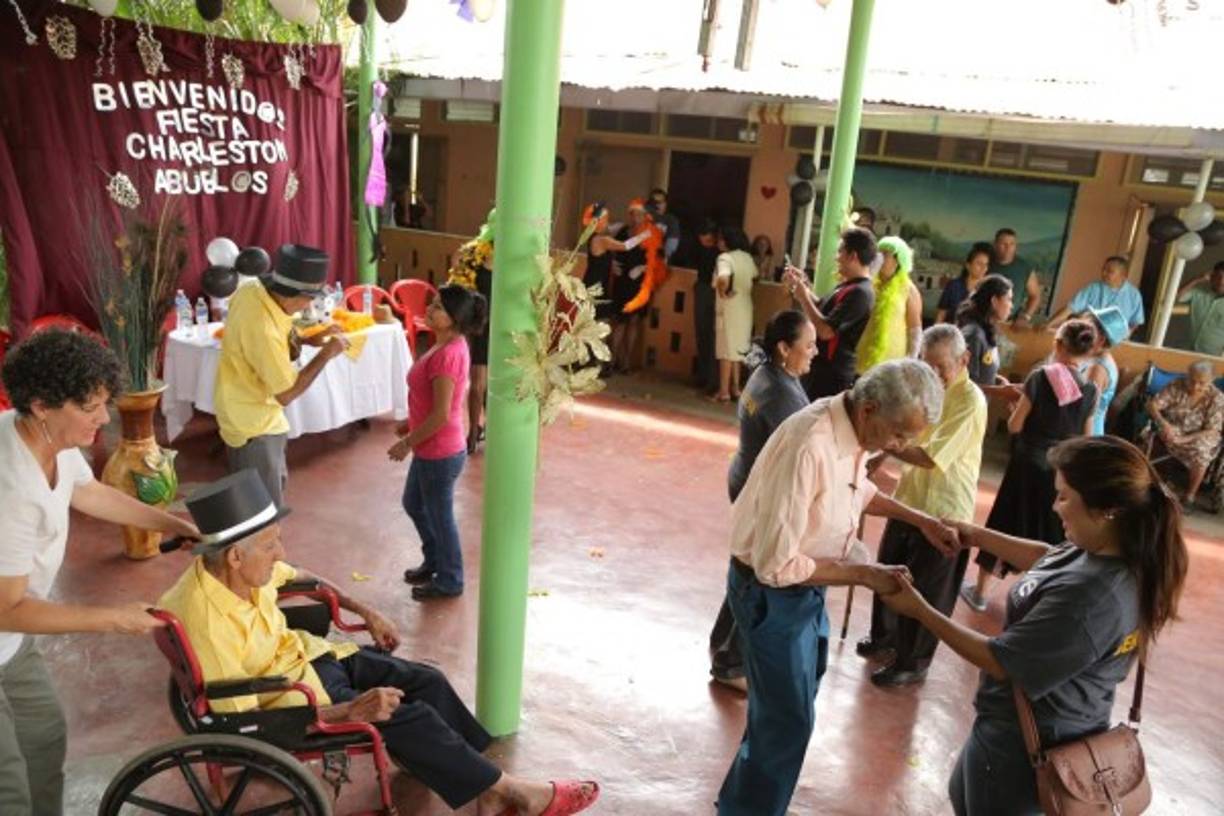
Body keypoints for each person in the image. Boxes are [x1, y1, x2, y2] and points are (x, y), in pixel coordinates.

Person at [158, 470, 599, 816]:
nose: (280, 554)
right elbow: (243, 726)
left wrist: (363, 609)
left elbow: (303, 576)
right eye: (271, 545)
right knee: (412, 716)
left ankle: (485, 782)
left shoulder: (239, 568)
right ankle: (508, 791)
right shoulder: (207, 622)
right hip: (299, 699)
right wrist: (350, 711)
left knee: (427, 680)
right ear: (235, 556)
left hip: (313, 659)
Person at [880, 435, 1188, 816]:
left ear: (1107, 510)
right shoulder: (1102, 547)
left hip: (1031, 745)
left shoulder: (1093, 599)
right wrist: (975, 535)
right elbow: (1049, 559)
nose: (1054, 506)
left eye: (1064, 496)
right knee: (965, 796)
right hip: (1010, 729)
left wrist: (919, 609)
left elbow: (1000, 660)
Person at [716, 360, 959, 816]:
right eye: (900, 435)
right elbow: (776, 565)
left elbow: (857, 490)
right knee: (786, 723)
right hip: (772, 593)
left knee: (785, 713)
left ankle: (742, 801)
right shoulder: (811, 443)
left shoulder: (850, 429)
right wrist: (866, 575)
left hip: (806, 587)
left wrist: (923, 520)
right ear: (869, 409)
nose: (902, 447)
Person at [0, 329, 199, 814]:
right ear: (43, 404)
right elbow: (7, 608)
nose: (104, 418)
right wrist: (114, 618)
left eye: (104, 403)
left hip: (11, 646)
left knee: (44, 740)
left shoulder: (49, 439)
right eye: (90, 407)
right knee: (9, 790)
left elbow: (89, 494)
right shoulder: (10, 487)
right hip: (7, 621)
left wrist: (172, 523)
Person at [858, 325, 987, 687]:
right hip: (910, 499)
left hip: (945, 508)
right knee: (890, 571)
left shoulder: (970, 401)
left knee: (928, 591)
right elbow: (905, 429)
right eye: (925, 364)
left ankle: (912, 661)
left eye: (940, 366)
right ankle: (884, 639)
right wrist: (882, 453)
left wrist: (887, 444)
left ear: (964, 360)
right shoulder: (922, 387)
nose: (932, 374)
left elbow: (930, 456)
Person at [708, 311, 816, 690]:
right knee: (759, 576)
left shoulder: (768, 373)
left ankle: (722, 646)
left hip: (746, 480)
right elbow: (804, 451)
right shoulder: (780, 394)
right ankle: (731, 662)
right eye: (809, 345)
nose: (814, 352)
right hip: (760, 492)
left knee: (746, 568)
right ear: (784, 348)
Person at [960, 319, 1099, 612]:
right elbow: (1087, 439)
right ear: (1087, 351)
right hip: (1060, 472)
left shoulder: (1040, 377)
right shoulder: (1090, 390)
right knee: (1053, 533)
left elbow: (1014, 426)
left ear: (1058, 345)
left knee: (1006, 523)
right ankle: (1042, 601)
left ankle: (981, 593)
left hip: (1026, 465)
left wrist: (1016, 408)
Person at [214, 244, 350, 508]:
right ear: (292, 295)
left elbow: (283, 332)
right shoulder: (262, 328)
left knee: (272, 485)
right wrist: (326, 355)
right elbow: (286, 394)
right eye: (309, 298)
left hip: (255, 413)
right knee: (261, 509)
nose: (309, 305)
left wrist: (310, 338)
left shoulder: (253, 291)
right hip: (253, 424)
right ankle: (261, 546)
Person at [389, 284, 487, 600]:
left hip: (439, 451)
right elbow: (431, 404)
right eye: (432, 304)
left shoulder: (448, 355)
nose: (430, 310)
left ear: (454, 318)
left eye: (438, 308)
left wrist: (406, 442)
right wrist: (410, 423)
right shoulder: (445, 344)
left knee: (439, 516)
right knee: (414, 504)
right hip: (431, 446)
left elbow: (442, 414)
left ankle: (450, 578)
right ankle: (434, 561)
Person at [783, 227, 877, 400]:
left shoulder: (861, 292)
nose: (836, 257)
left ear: (853, 256)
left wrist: (803, 297)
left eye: (840, 251)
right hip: (821, 369)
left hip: (831, 374)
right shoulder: (849, 286)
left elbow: (826, 331)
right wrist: (803, 285)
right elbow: (822, 307)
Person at [1143, 359, 1224, 510]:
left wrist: (1184, 439)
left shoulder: (1217, 398)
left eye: (1201, 383)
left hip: (1201, 435)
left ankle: (1189, 496)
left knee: (1201, 452)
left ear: (1211, 380)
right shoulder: (1177, 385)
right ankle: (1153, 483)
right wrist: (1164, 423)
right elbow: (1152, 405)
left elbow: (1212, 429)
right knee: (1165, 433)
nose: (1195, 386)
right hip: (1174, 428)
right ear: (1187, 375)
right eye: (1192, 380)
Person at [855, 235, 922, 373]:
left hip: (892, 364)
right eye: (878, 253)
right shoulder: (868, 284)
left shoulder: (908, 289)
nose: (879, 258)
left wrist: (911, 361)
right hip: (862, 357)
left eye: (885, 254)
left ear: (898, 260)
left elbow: (914, 330)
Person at [955, 274, 1022, 403]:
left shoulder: (986, 330)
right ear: (994, 301)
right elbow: (964, 384)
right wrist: (1000, 391)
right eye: (1008, 299)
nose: (1011, 306)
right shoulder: (973, 335)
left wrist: (997, 380)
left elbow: (981, 373)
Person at [710, 225, 758, 403]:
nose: (719, 242)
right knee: (738, 350)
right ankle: (736, 388)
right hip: (745, 306)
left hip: (729, 307)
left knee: (726, 350)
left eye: (721, 238)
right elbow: (755, 276)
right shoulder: (747, 257)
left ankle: (723, 392)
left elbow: (723, 277)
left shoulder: (724, 258)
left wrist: (723, 292)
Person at [1047, 256, 1144, 335]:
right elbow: (1071, 308)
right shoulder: (1093, 288)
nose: (1104, 273)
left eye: (1109, 271)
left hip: (1116, 341)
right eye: (1103, 269)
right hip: (1089, 337)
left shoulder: (1134, 295)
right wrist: (1049, 324)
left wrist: (1124, 336)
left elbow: (1135, 322)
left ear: (1123, 276)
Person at [1080, 306, 1128, 436]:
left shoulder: (1097, 369)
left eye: (1088, 331)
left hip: (1085, 434)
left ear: (1101, 339)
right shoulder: (1093, 358)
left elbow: (1085, 412)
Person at [988, 228, 1043, 325]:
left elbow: (1035, 296)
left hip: (1009, 323)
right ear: (995, 244)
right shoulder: (986, 262)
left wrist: (1026, 316)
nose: (1008, 248)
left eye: (1012, 244)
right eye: (1003, 244)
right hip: (983, 318)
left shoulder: (1024, 268)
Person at [692, 219, 721, 393]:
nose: (704, 241)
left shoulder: (720, 251)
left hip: (714, 291)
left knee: (712, 335)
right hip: (702, 288)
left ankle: (712, 379)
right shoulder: (698, 249)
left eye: (707, 238)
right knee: (702, 332)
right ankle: (703, 376)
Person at [936, 242, 994, 323]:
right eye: (979, 264)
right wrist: (936, 334)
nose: (984, 268)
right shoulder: (953, 286)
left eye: (986, 264)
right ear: (968, 266)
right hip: (952, 332)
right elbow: (941, 314)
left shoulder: (989, 289)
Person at [1176, 261, 1224, 356]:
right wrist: (1197, 279)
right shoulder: (1199, 293)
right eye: (1219, 276)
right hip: (1189, 351)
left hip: (1215, 358)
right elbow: (1176, 296)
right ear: (1212, 276)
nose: (1221, 281)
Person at [647, 187, 681, 260]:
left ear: (666, 203)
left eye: (661, 202)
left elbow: (671, 246)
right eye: (655, 202)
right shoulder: (645, 217)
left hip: (660, 260)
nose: (658, 206)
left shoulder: (671, 220)